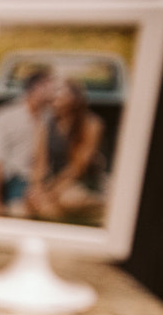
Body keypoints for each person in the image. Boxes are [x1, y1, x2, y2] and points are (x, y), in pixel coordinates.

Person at [26, 77, 106, 223]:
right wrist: (37, 187)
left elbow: (78, 167)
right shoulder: (45, 124)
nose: (53, 94)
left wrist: (51, 192)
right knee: (35, 202)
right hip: (54, 181)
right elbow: (39, 162)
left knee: (67, 200)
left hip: (82, 181)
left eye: (58, 90)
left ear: (74, 97)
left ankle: (100, 206)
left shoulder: (92, 124)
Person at [0, 67, 55, 217]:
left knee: (31, 211)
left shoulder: (49, 117)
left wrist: (38, 187)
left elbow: (42, 159)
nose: (54, 92)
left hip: (27, 181)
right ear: (37, 88)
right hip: (4, 178)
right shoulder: (6, 116)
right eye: (50, 87)